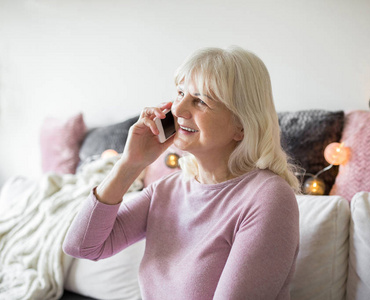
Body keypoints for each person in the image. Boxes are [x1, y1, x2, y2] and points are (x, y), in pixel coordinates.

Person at [63, 46, 300, 299]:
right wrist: (130, 164)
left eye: (200, 101)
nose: (178, 110)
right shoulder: (167, 189)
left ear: (241, 126)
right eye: (180, 93)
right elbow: (82, 246)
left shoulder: (268, 198)